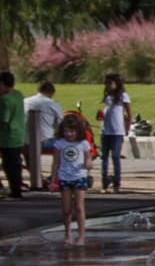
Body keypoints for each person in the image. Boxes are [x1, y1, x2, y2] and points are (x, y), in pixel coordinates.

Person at [43, 114, 92, 245]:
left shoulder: (83, 143)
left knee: (79, 208)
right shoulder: (60, 143)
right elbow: (56, 162)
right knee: (66, 209)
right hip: (64, 177)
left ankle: (81, 235)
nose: (69, 134)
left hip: (79, 176)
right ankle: (68, 233)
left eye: (72, 131)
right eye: (66, 131)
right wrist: (53, 180)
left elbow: (88, 158)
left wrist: (88, 164)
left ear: (78, 131)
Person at [98, 72, 131, 193]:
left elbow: (128, 113)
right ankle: (104, 183)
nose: (107, 85)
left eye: (110, 83)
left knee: (116, 157)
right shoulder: (107, 96)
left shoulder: (123, 96)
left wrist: (127, 127)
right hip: (105, 131)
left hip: (117, 131)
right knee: (104, 158)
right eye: (106, 83)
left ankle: (117, 183)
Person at [24, 83, 64, 179]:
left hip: (24, 142)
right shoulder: (52, 104)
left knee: (28, 150)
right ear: (51, 92)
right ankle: (54, 177)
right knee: (65, 145)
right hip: (45, 141)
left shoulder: (24, 101)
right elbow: (60, 126)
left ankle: (37, 177)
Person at [0, 71, 24, 200]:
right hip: (18, 134)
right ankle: (16, 189)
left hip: (7, 137)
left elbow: (4, 120)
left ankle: (15, 192)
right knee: (16, 163)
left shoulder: (4, 100)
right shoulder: (18, 94)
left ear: (3, 84)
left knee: (9, 165)